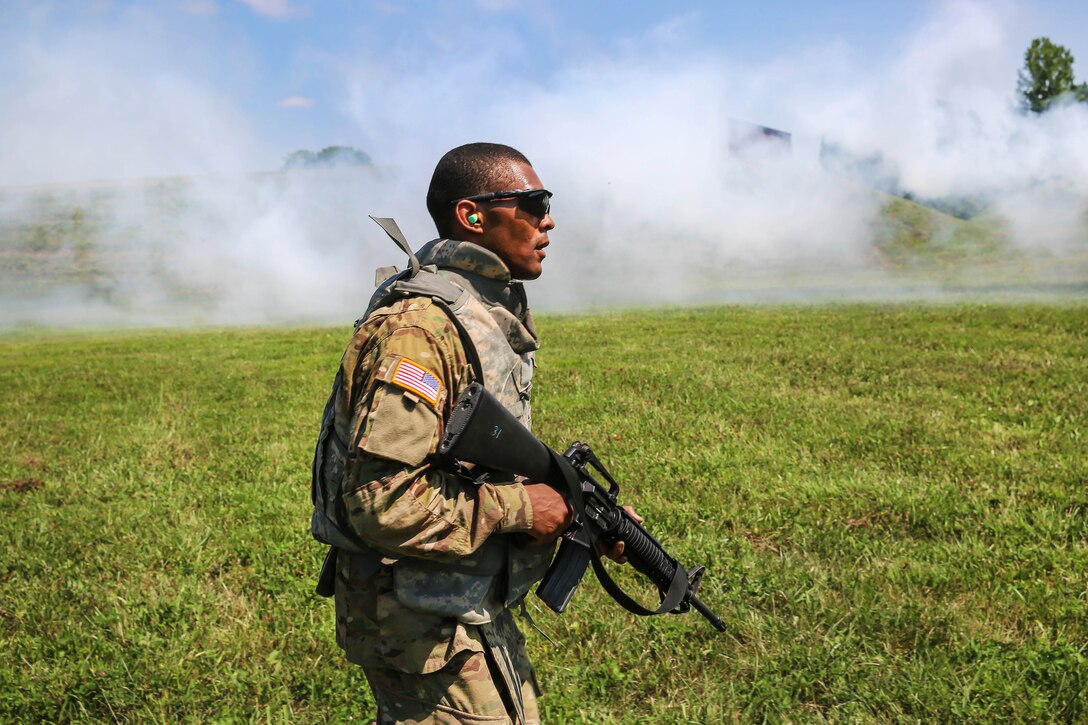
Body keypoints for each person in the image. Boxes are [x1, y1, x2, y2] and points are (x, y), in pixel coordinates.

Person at [311, 143, 633, 724]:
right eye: (533, 203)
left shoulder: (476, 311)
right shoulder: (419, 330)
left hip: (457, 599)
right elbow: (377, 502)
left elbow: (461, 464)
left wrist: (577, 514)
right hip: (418, 620)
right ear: (472, 216)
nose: (547, 219)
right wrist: (519, 510)